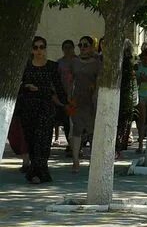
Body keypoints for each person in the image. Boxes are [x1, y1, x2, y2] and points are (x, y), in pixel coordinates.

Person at [20, 36, 61, 183]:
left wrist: (66, 103)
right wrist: (27, 87)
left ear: (45, 48)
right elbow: (19, 86)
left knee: (42, 140)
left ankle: (38, 173)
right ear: (32, 49)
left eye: (41, 47)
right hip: (28, 108)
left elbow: (59, 88)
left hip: (46, 108)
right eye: (36, 47)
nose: (39, 50)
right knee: (31, 140)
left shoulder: (52, 66)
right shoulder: (26, 66)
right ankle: (36, 171)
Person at [69, 35, 102, 173]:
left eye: (85, 45)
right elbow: (70, 80)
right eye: (80, 45)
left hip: (91, 101)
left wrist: (95, 95)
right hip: (76, 100)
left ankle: (93, 161)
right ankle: (75, 160)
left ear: (92, 47)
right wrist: (69, 97)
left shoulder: (97, 63)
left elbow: (99, 82)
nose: (82, 48)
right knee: (76, 130)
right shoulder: (74, 62)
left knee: (92, 131)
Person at [115, 41, 138, 157]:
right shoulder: (117, 62)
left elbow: (132, 82)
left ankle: (118, 149)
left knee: (122, 124)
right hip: (120, 96)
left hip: (124, 97)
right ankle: (117, 149)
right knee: (122, 124)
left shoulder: (130, 64)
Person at [134, 43, 147, 153]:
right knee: (141, 120)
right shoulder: (139, 67)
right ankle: (141, 144)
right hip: (141, 95)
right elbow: (135, 81)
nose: (146, 61)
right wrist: (140, 79)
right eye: (144, 59)